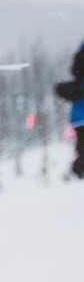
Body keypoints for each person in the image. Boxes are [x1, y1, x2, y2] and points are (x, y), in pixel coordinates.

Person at [57, 39, 84, 178]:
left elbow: (75, 70)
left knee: (82, 149)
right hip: (80, 117)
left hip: (79, 117)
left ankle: (79, 170)